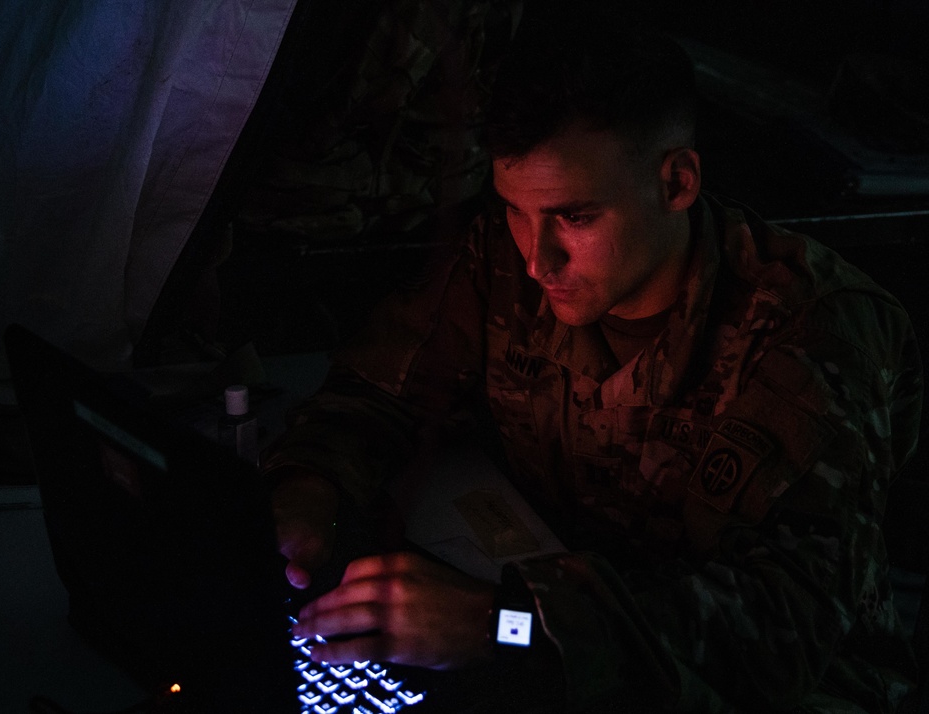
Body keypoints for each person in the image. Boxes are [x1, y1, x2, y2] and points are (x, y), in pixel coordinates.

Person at [262, 4, 924, 712]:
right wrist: (311, 488)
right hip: (550, 638)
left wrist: (503, 624)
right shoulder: (504, 257)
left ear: (676, 184)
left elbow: (782, 624)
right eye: (516, 210)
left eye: (575, 217)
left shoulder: (814, 327)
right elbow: (380, 393)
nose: (537, 256)